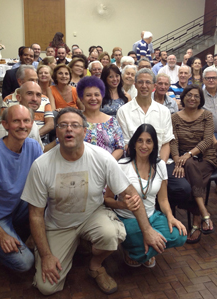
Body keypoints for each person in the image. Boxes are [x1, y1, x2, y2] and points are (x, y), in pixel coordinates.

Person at [22, 107, 166, 295]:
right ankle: (64, 246)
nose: (69, 130)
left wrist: (147, 231)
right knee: (47, 287)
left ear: (84, 130)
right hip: (59, 224)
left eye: (75, 125)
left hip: (92, 216)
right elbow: (35, 214)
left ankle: (95, 266)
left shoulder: (102, 157)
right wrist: (47, 255)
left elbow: (131, 194)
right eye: (63, 125)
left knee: (112, 235)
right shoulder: (41, 165)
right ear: (56, 131)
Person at [104, 124, 187, 267]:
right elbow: (107, 199)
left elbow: (163, 199)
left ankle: (142, 252)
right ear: (134, 143)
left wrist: (170, 216)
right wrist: (123, 205)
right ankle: (138, 250)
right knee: (143, 242)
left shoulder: (160, 165)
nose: (144, 145)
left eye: (149, 141)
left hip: (152, 216)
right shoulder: (122, 165)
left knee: (180, 236)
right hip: (127, 218)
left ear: (154, 145)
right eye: (140, 140)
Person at [117, 68, 191, 223]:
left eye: (148, 82)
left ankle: (161, 212)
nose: (144, 86)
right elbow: (127, 146)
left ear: (154, 86)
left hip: (159, 162)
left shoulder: (163, 111)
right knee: (138, 189)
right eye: (141, 82)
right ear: (135, 85)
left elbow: (166, 143)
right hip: (133, 163)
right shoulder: (123, 111)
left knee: (183, 188)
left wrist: (159, 167)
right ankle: (149, 214)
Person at [0, 105, 42, 270]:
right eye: (16, 121)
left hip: (15, 207)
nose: (22, 125)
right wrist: (1, 235)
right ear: (5, 125)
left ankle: (17, 232)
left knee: (50, 199)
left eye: (26, 121)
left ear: (32, 123)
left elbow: (43, 181)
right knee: (25, 262)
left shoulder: (33, 146)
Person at [170, 85, 217, 243]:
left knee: (190, 167)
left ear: (201, 99)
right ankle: (202, 216)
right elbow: (173, 141)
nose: (192, 98)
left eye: (196, 96)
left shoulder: (207, 115)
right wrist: (177, 160)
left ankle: (199, 219)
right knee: (193, 170)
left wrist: (189, 154)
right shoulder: (175, 117)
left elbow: (208, 140)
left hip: (205, 157)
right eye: (189, 95)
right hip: (184, 158)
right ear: (183, 97)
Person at [1, 66, 54, 139]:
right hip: (15, 139)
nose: (35, 83)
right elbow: (3, 126)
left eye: (36, 80)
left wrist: (33, 136)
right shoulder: (8, 100)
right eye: (31, 80)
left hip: (41, 139)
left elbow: (50, 124)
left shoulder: (44, 99)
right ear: (20, 82)